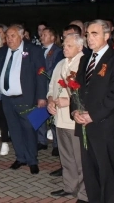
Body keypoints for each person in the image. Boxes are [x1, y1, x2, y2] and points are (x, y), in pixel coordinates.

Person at [71, 19, 114, 203]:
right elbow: (77, 89)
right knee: (90, 173)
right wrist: (75, 112)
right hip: (84, 125)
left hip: (103, 126)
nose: (89, 38)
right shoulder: (85, 58)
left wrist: (93, 115)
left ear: (106, 35)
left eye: (94, 34)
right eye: (87, 34)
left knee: (107, 173)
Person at [0, 24, 47, 174]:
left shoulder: (33, 51)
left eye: (12, 36)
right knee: (14, 129)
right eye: (7, 36)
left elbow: (41, 75)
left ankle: (32, 161)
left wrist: (42, 96)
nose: (9, 39)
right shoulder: (3, 51)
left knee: (29, 129)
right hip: (8, 99)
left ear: (21, 36)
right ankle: (20, 157)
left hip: (26, 98)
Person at [47, 33, 88, 203]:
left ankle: (85, 193)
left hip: (76, 120)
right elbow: (51, 87)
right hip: (60, 119)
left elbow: (88, 92)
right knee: (66, 157)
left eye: (69, 46)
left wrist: (69, 100)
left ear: (80, 47)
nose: (65, 48)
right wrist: (50, 101)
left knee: (81, 159)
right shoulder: (60, 64)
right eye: (64, 45)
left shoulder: (85, 64)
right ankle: (70, 187)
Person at [37, 27, 62, 156]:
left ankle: (57, 145)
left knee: (53, 117)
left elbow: (56, 69)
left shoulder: (58, 51)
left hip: (52, 88)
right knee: (40, 114)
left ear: (52, 37)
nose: (42, 37)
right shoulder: (39, 51)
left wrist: (43, 73)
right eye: (41, 35)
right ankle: (41, 141)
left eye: (45, 35)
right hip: (40, 88)